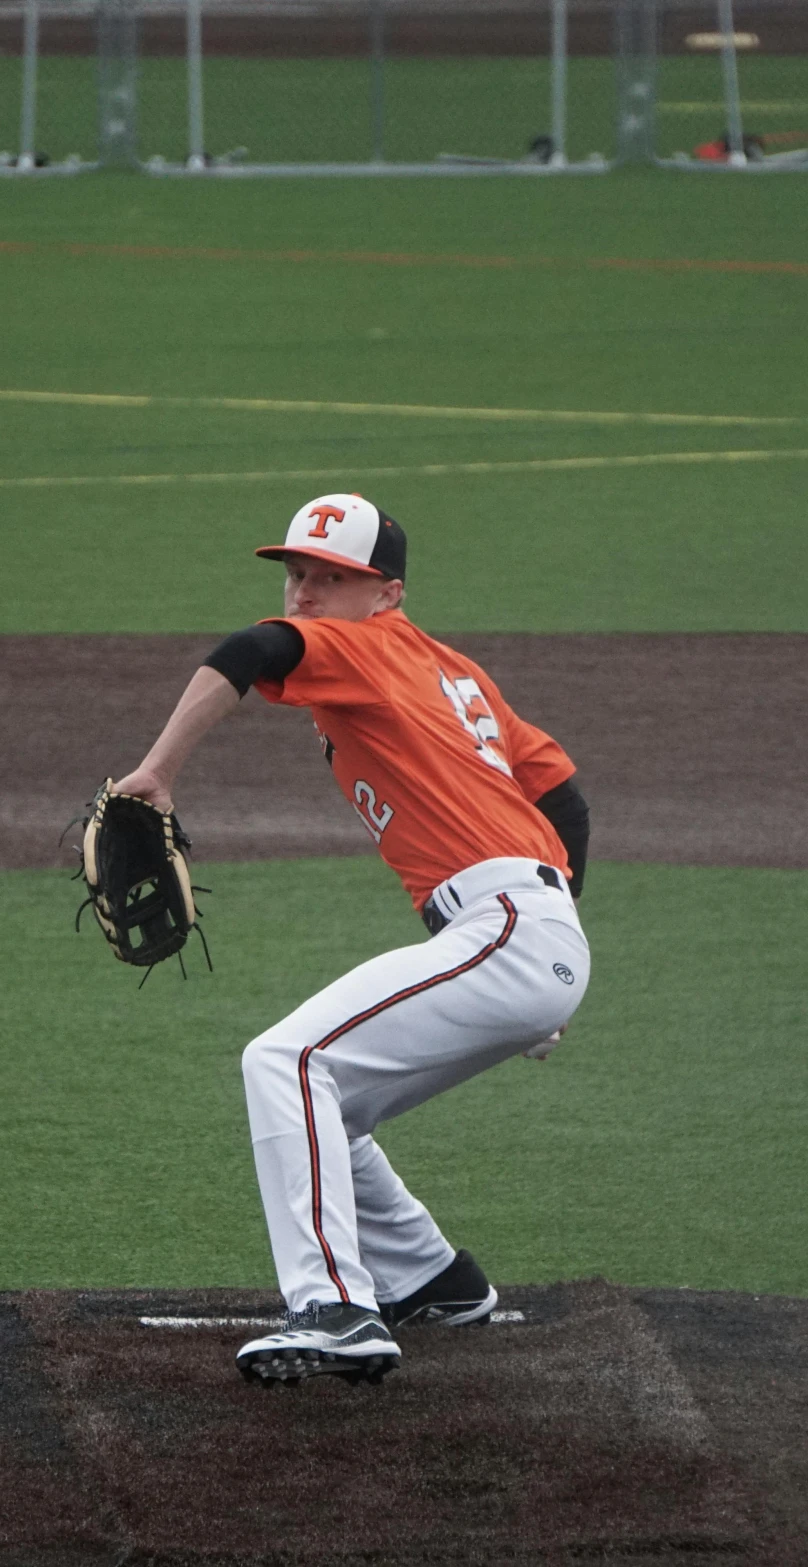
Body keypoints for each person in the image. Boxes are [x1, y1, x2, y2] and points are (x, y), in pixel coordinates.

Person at [113, 493, 592, 1385]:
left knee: (285, 1062)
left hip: (508, 927)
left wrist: (158, 772)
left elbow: (252, 651)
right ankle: (432, 1278)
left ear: (387, 595)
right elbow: (561, 794)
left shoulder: (364, 647)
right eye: (296, 574)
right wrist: (566, 933)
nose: (303, 594)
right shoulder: (455, 673)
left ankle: (334, 1306)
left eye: (331, 580)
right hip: (528, 927)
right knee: (332, 1099)